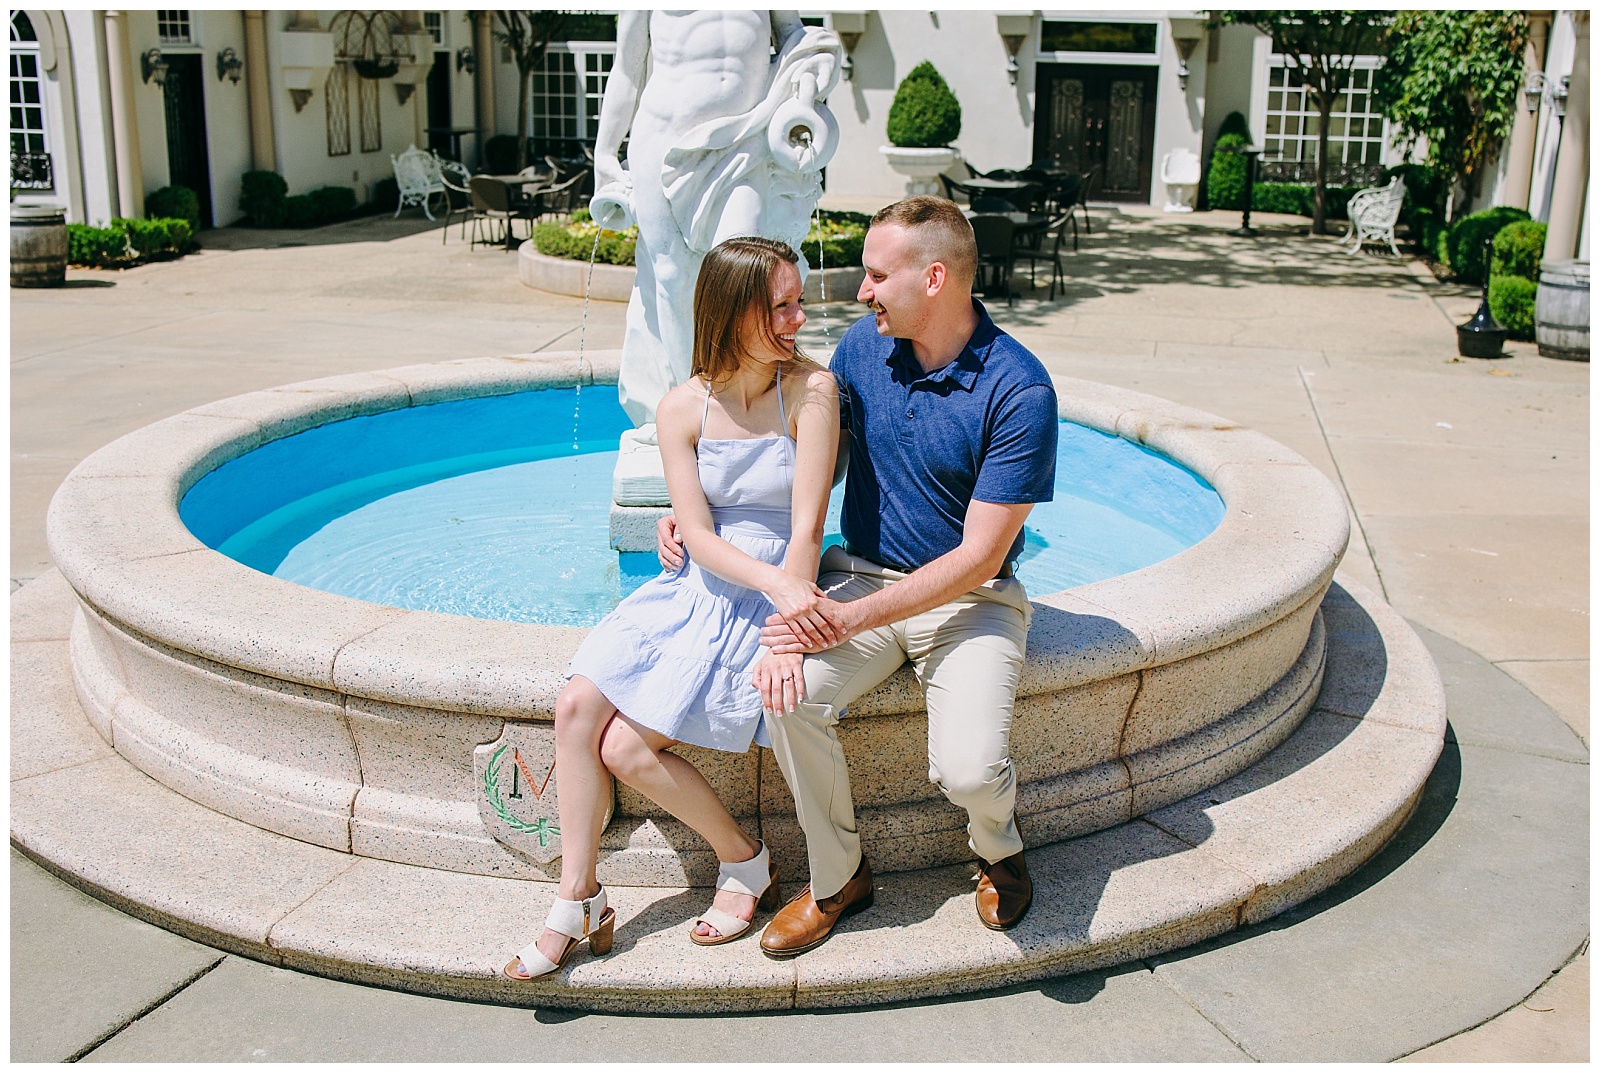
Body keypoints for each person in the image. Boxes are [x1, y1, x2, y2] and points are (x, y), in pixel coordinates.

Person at [657, 197, 1059, 957]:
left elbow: (978, 556)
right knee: (785, 691)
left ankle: (998, 846)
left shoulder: (1020, 390)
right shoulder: (859, 352)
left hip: (972, 601)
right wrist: (695, 510)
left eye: (877, 274)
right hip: (862, 578)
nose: (862, 290)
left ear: (933, 277)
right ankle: (840, 876)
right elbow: (799, 464)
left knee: (969, 771)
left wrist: (847, 620)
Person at [502, 236, 840, 981]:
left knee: (625, 749)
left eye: (797, 298)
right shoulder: (682, 405)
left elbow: (809, 526)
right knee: (573, 710)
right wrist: (720, 555)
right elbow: (695, 530)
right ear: (733, 310)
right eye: (780, 303)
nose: (798, 315)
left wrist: (786, 606)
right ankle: (579, 895)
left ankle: (745, 861)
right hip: (698, 586)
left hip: (772, 591)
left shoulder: (813, 391)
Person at [588, 10, 840, 427]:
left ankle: (742, 403)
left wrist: (810, 67)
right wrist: (604, 153)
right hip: (662, 136)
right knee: (672, 278)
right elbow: (627, 69)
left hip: (744, 138)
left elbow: (792, 34)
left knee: (743, 276)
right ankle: (692, 406)